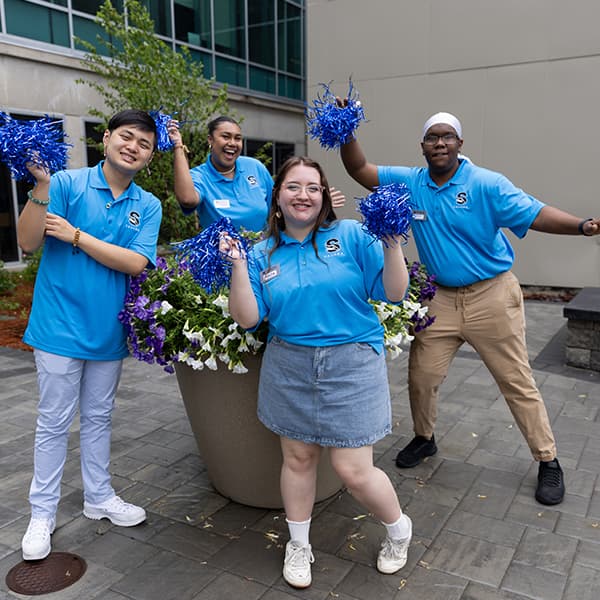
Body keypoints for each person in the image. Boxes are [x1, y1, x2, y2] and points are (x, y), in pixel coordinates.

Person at [338, 109, 600, 507]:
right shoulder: (411, 183)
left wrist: (582, 226)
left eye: (447, 136)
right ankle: (425, 439)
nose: (439, 143)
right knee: (421, 376)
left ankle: (548, 460)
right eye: (431, 137)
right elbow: (359, 168)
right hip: (439, 298)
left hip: (491, 295)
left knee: (516, 380)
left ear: (460, 143)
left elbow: (535, 212)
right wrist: (345, 130)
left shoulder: (486, 184)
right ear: (422, 146)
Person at [220, 156, 412, 589]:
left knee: (353, 469)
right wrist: (236, 268)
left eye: (312, 187)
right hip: (289, 363)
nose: (302, 194)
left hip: (352, 362)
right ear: (277, 198)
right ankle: (299, 545)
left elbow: (395, 293)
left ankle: (399, 529)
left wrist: (393, 243)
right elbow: (249, 319)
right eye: (293, 186)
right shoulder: (260, 253)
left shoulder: (351, 236)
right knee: (299, 458)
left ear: (324, 196)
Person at [17, 109, 163, 560]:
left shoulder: (148, 205)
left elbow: (137, 264)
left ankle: (99, 496)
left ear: (150, 156)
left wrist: (77, 236)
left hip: (108, 331)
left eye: (144, 142)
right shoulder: (65, 184)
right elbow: (27, 242)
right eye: (126, 136)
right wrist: (41, 187)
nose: (133, 146)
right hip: (60, 326)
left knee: (99, 417)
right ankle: (42, 513)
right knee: (54, 421)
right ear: (106, 139)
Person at [168, 115, 345, 231]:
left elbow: (279, 205)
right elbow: (187, 199)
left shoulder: (254, 167)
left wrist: (317, 204)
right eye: (226, 137)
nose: (232, 143)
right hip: (222, 265)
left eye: (237, 138)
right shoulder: (200, 176)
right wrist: (178, 146)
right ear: (210, 140)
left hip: (263, 258)